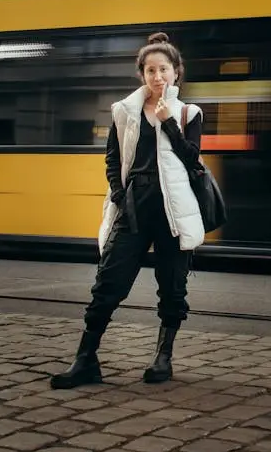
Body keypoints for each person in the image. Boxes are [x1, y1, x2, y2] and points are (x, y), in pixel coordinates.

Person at [50, 32, 205, 389]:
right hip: (134, 207)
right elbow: (113, 159)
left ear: (176, 73)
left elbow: (192, 158)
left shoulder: (188, 113)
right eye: (150, 70)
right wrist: (120, 197)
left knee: (172, 286)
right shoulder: (123, 111)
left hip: (172, 212)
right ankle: (86, 360)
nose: (158, 77)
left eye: (164, 69)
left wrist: (168, 122)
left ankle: (162, 358)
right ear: (142, 74)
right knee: (108, 283)